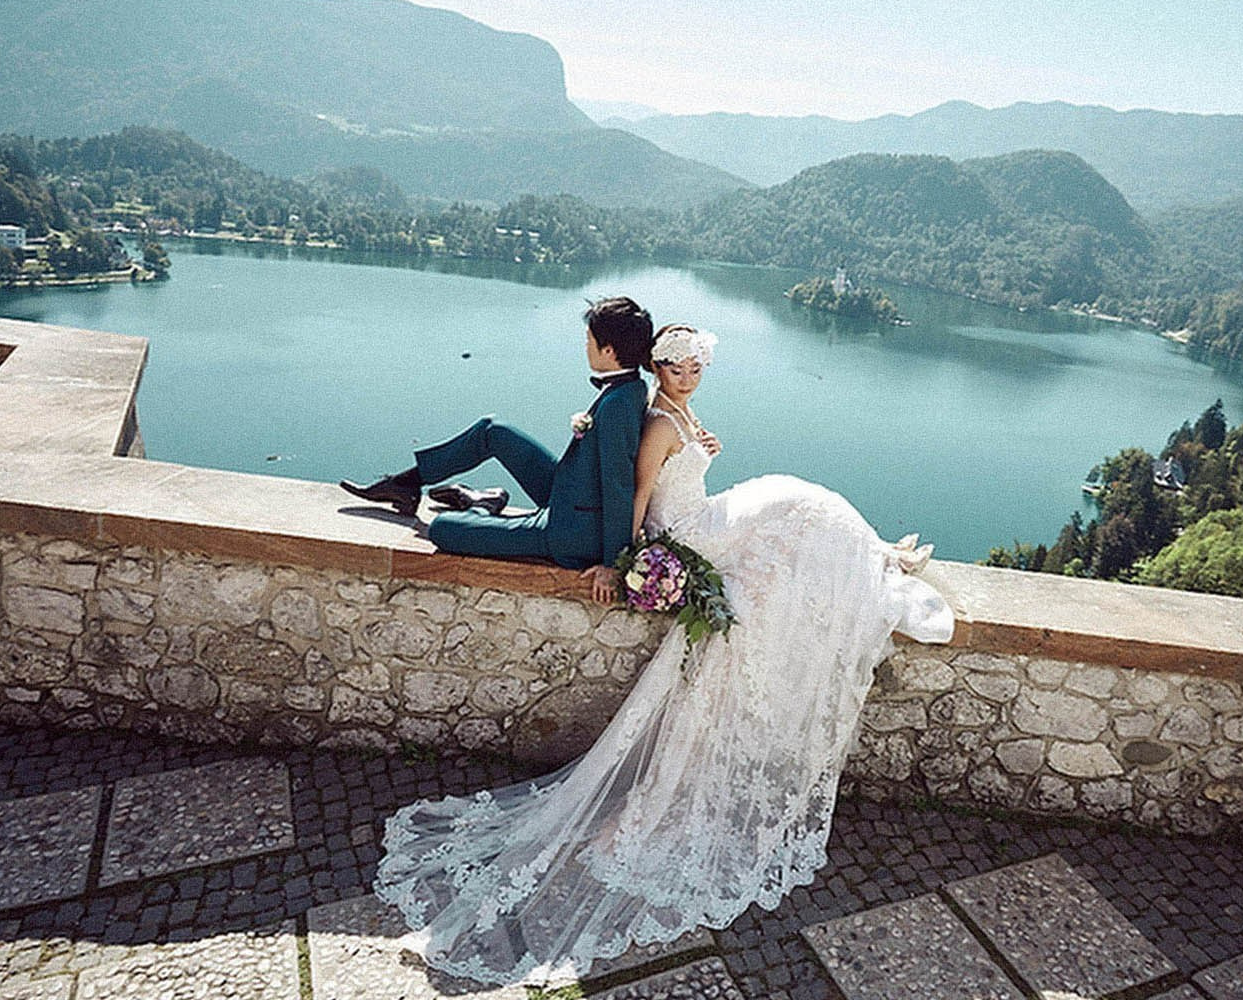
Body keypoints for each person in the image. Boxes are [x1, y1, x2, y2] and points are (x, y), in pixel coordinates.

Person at [372, 323, 955, 986]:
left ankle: (872, 558)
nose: (689, 378)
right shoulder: (651, 419)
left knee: (804, 508)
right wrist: (624, 561)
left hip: (698, 513)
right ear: (657, 367)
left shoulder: (670, 408)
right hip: (685, 530)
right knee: (800, 509)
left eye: (697, 369)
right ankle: (876, 561)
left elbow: (670, 457)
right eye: (678, 370)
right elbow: (641, 493)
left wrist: (701, 443)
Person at [340, 296, 652, 605]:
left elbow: (618, 486)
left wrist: (612, 564)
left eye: (589, 340)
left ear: (609, 351)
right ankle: (405, 484)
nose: (585, 346)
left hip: (569, 533)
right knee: (493, 431)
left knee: (442, 529)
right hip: (568, 491)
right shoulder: (628, 387)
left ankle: (483, 505)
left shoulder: (619, 406)